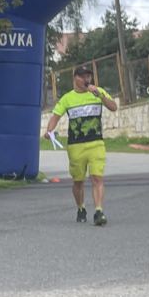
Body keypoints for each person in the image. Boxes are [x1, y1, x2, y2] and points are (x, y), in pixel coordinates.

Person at [45, 64, 119, 225]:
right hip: (76, 146)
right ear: (75, 78)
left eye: (88, 76)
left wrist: (100, 95)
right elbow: (55, 117)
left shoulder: (98, 92)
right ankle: (81, 207)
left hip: (96, 143)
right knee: (78, 181)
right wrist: (49, 131)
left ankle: (99, 211)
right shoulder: (67, 98)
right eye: (83, 76)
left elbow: (114, 107)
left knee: (97, 178)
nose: (87, 79)